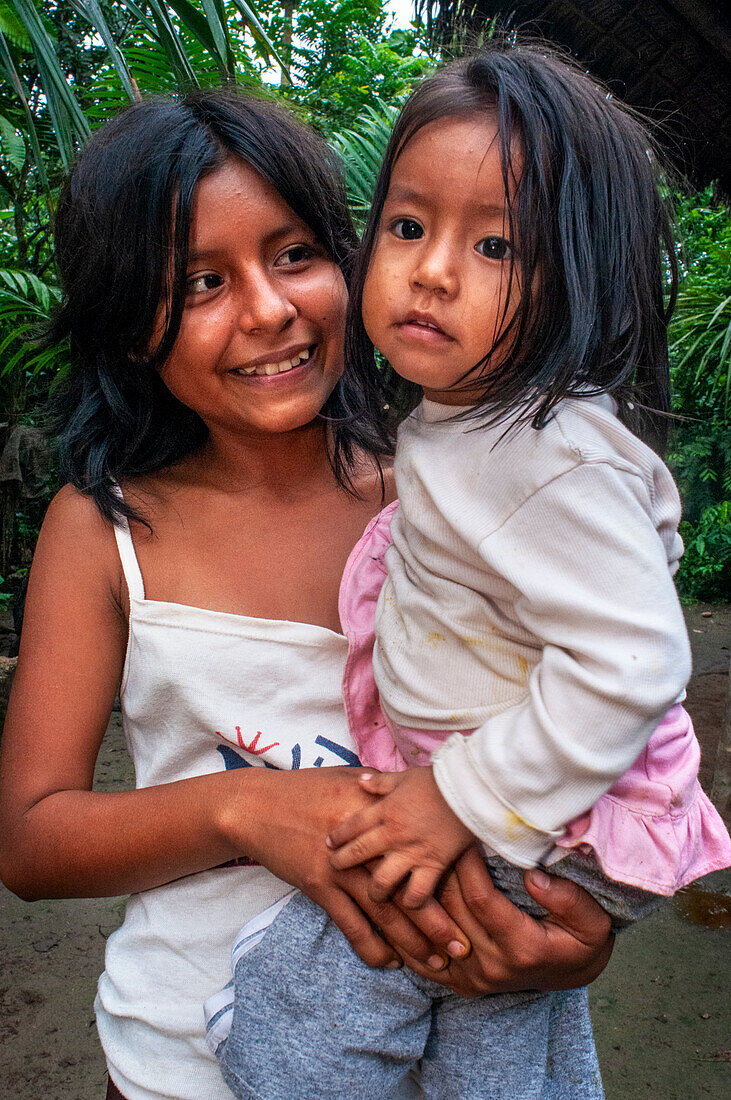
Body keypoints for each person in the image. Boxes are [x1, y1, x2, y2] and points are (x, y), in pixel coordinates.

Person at [0, 88, 617, 1100]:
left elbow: (585, 761)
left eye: (295, 254)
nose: (268, 308)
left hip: (453, 1052)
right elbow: (31, 838)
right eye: (200, 281)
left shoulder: (464, 500)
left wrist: (572, 941)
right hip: (180, 1063)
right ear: (126, 324)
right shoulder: (104, 529)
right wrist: (249, 806)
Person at [214, 44, 731, 1100]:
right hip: (548, 805)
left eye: (495, 243)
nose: (433, 268)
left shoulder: (538, 451)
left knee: (331, 972)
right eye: (407, 226)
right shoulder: (475, 426)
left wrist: (459, 796)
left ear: (576, 277)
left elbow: (633, 658)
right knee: (493, 1024)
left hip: (528, 800)